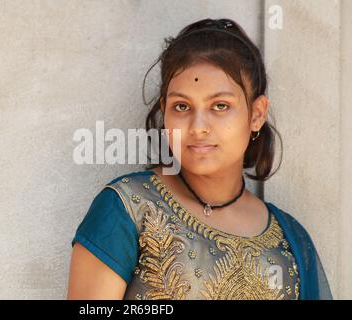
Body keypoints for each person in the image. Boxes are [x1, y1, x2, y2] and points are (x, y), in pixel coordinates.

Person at [67, 18, 333, 300]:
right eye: (182, 106)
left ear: (256, 114)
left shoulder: (290, 241)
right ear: (165, 110)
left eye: (220, 106)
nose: (197, 126)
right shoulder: (128, 209)